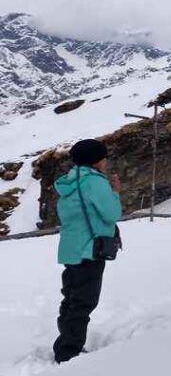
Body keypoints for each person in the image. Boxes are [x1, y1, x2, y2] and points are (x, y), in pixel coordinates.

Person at [52, 139, 122, 364]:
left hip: (71, 250)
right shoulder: (94, 182)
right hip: (90, 249)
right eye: (103, 157)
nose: (106, 160)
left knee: (71, 298)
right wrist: (115, 192)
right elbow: (111, 214)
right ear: (96, 160)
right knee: (84, 302)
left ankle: (64, 343)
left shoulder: (69, 182)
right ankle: (69, 352)